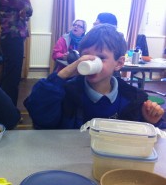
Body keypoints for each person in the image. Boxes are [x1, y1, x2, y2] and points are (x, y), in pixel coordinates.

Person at [24, 24, 165, 129]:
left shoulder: (132, 98)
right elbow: (40, 116)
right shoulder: (67, 93)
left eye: (101, 57)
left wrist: (150, 122)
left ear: (119, 63)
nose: (91, 62)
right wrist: (62, 75)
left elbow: (140, 139)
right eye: (86, 56)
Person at [0, 0, 33, 106]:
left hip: (9, 37)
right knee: (12, 77)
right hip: (13, 37)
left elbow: (23, 14)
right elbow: (28, 10)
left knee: (8, 75)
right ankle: (9, 110)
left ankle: (1, 108)